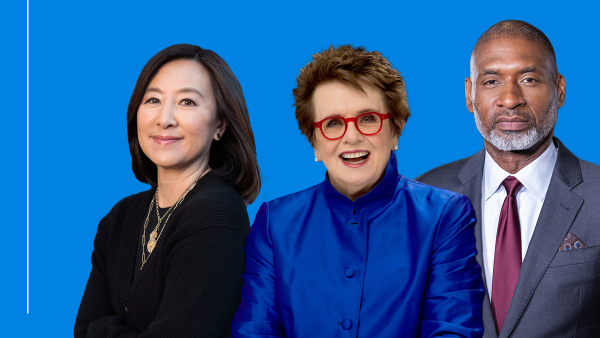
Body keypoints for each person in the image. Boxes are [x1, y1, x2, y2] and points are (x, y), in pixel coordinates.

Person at [232, 45, 484, 337]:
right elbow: (255, 329)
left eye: (368, 119)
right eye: (333, 123)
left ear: (395, 130)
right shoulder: (275, 221)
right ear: (314, 142)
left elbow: (452, 330)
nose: (352, 137)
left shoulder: (445, 215)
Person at [417, 20, 600, 338]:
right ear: (469, 94)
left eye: (528, 79)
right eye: (491, 81)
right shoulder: (425, 196)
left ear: (559, 90)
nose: (510, 99)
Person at [74, 44, 261, 338]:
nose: (165, 118)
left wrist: (104, 330)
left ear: (220, 125)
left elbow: (94, 329)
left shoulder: (217, 214)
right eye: (152, 100)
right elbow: (82, 329)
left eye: (187, 102)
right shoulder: (120, 218)